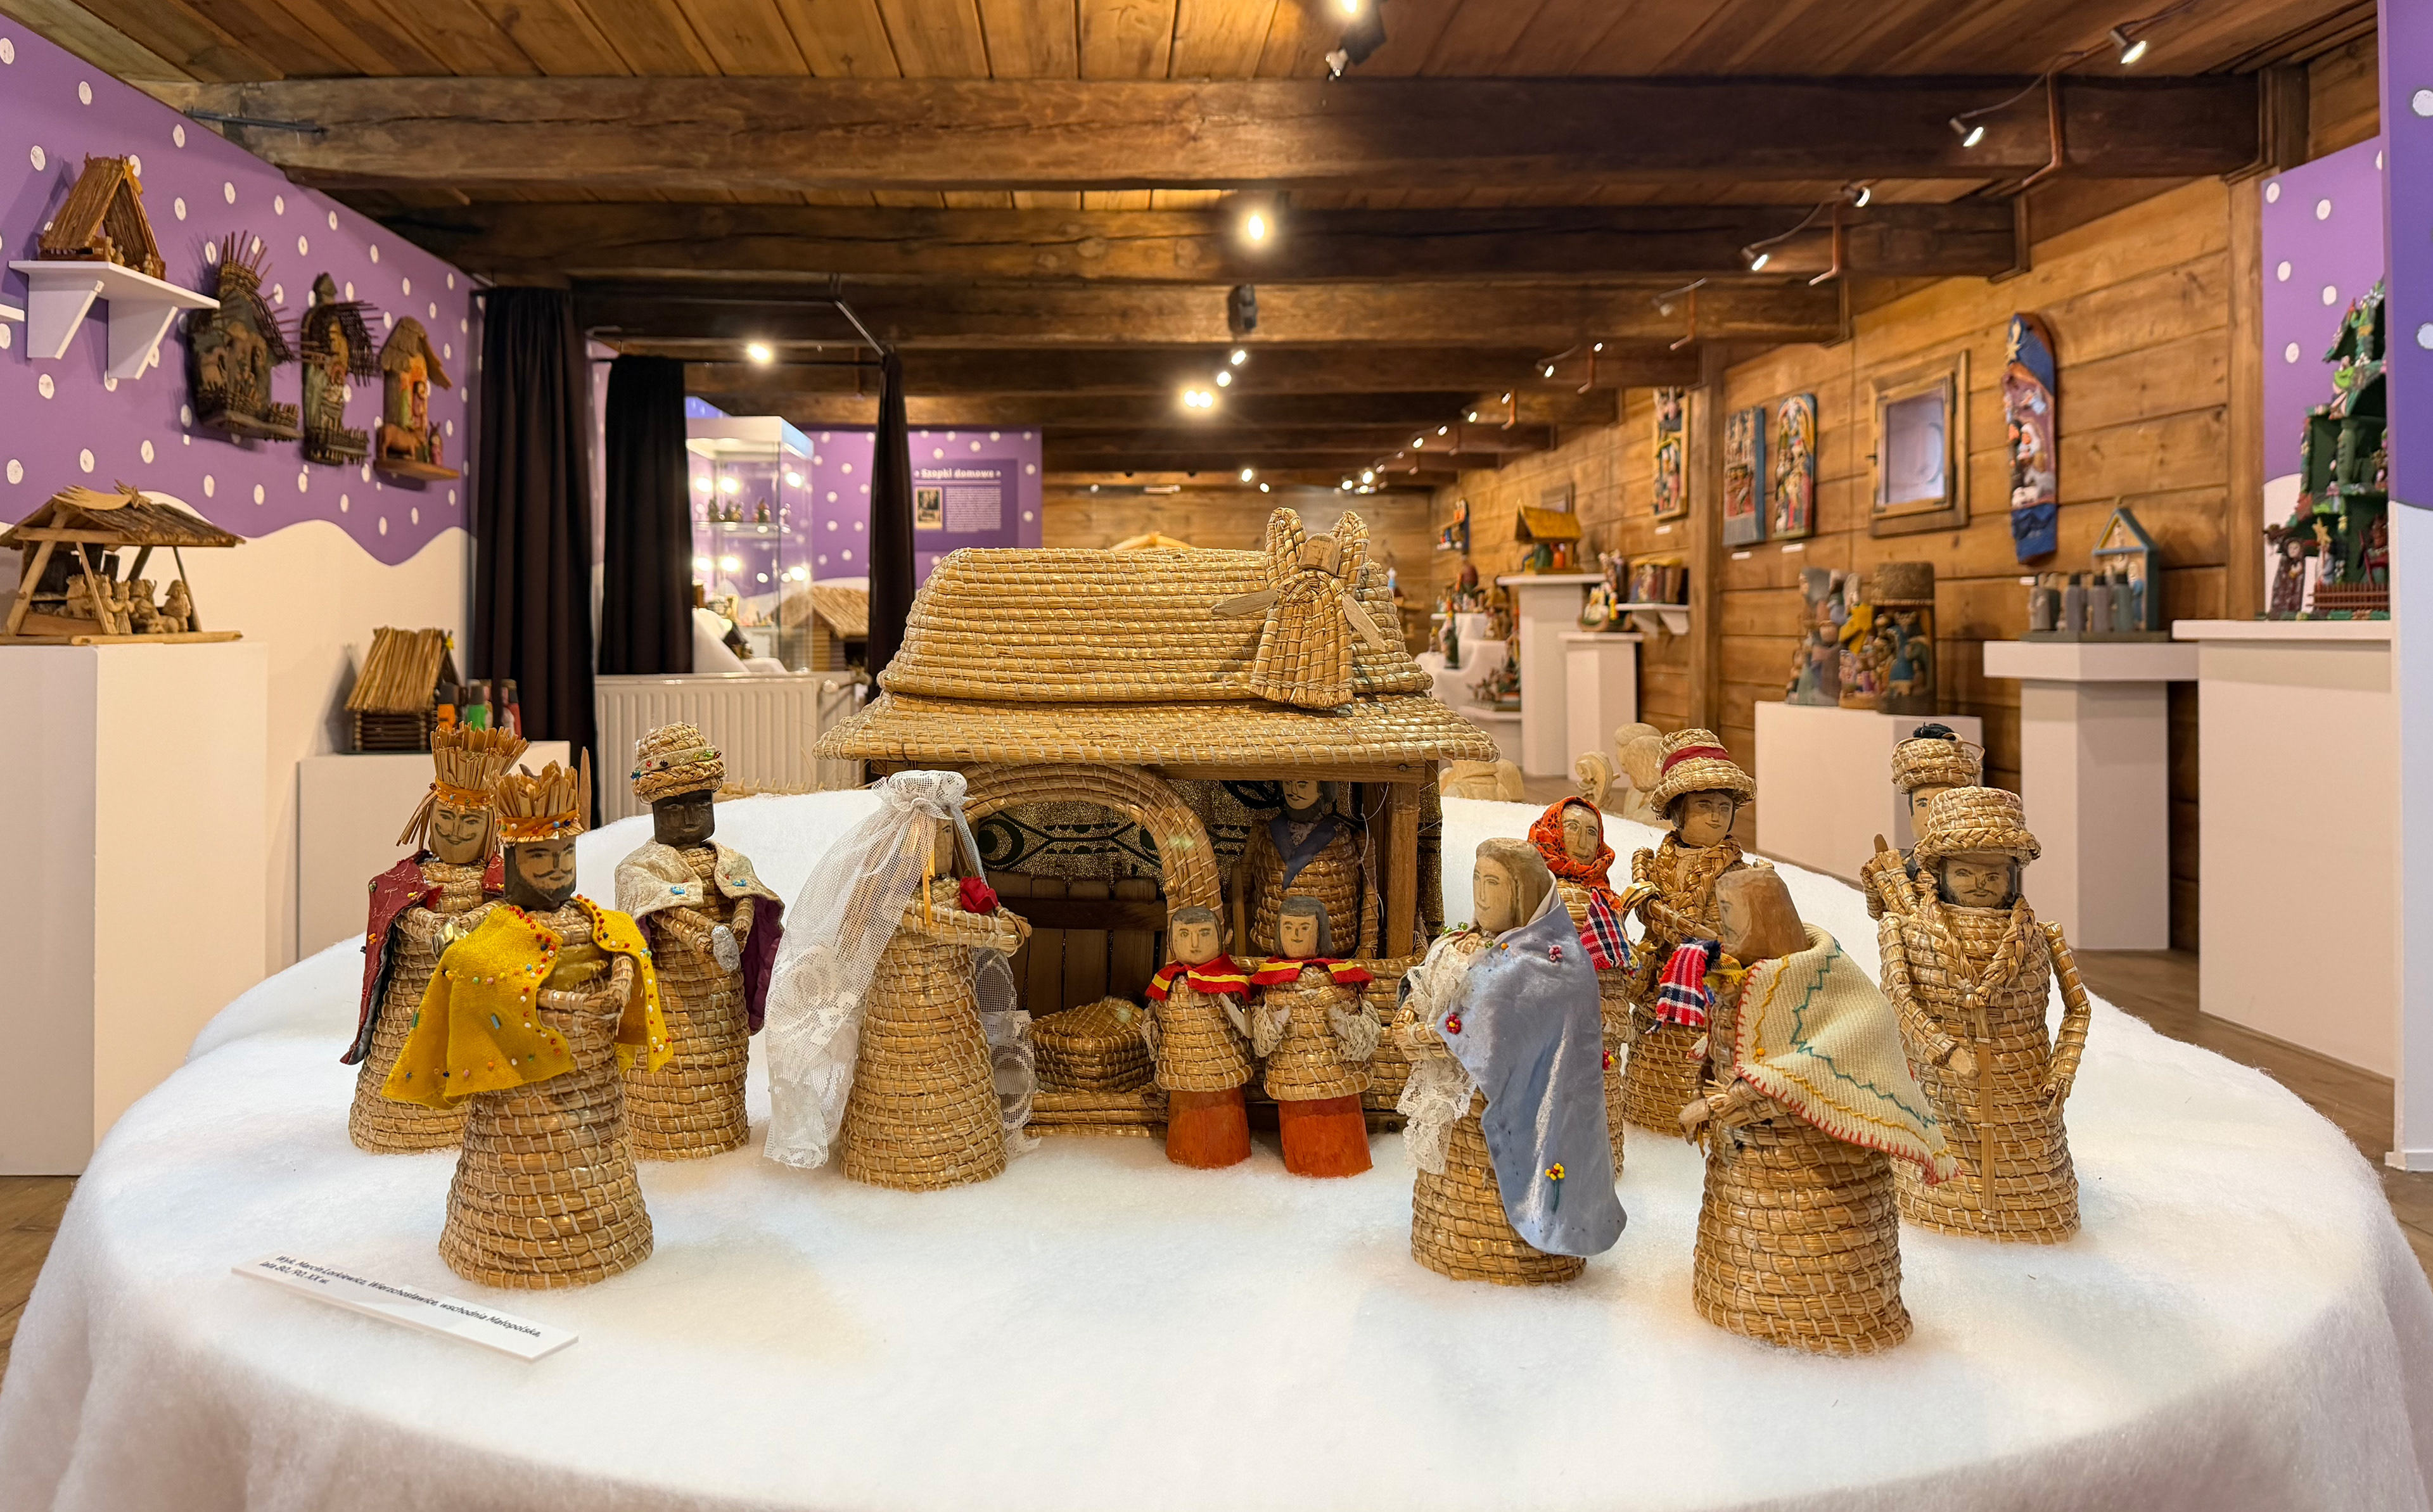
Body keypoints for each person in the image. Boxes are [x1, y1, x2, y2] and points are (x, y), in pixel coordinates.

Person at [385, 758, 671, 1288]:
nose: (557, 870)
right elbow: (472, 969)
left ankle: (606, 1230)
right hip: (518, 1110)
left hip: (592, 1095)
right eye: (541, 857)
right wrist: (561, 1007)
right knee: (515, 1158)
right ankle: (505, 1243)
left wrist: (617, 990)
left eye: (566, 855)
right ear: (514, 860)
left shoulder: (594, 920)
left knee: (598, 1154)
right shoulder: (494, 932)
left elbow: (627, 951)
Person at [1680, 869, 1951, 1353]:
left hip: (1818, 1184)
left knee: (1815, 1250)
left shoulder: (1833, 987)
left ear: (1764, 919)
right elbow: (1747, 1045)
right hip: (1746, 1190)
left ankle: (1819, 1321)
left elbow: (1809, 1065)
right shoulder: (1741, 980)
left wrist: (1722, 1102)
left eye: (1729, 914)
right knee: (1745, 1246)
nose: (1721, 926)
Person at [762, 770, 1035, 1191]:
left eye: (947, 833)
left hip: (952, 1015)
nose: (941, 844)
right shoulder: (889, 898)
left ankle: (964, 1151)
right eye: (933, 834)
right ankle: (887, 1155)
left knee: (956, 1067)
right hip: (897, 1013)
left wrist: (1000, 922)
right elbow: (919, 925)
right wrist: (998, 930)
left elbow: (984, 919)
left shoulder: (954, 892)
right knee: (889, 1073)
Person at [1398, 837, 1623, 1285]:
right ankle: (1456, 1240)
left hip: (1528, 1103)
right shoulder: (1457, 946)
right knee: (1457, 1186)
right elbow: (1424, 991)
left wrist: (1435, 1034)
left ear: (1522, 892)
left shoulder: (1552, 960)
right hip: (1458, 1115)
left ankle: (1540, 1235)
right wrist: (1413, 1012)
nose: (1481, 895)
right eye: (1477, 880)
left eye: (1495, 883)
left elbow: (1494, 1023)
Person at [1877, 787, 2093, 1242]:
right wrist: (1944, 1050)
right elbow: (1898, 997)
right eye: (1964, 871)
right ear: (1940, 873)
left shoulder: (2043, 937)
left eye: (1994, 872)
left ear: (2013, 874)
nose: (1980, 883)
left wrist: (2063, 1068)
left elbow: (2079, 1008)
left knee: (2036, 1195)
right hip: (1944, 1093)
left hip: (2024, 1091)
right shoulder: (1904, 931)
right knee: (1940, 1180)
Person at [342, 725, 522, 1153]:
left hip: (476, 999)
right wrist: (434, 926)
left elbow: (510, 908)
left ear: (491, 826)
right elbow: (398, 910)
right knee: (403, 1066)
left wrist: (471, 920)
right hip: (411, 999)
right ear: (428, 816)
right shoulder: (407, 877)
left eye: (471, 821)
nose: (456, 830)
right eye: (446, 818)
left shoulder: (499, 879)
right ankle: (401, 1129)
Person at [615, 723, 784, 1159]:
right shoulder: (640, 867)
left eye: (701, 804)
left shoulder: (728, 859)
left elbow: (745, 896)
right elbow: (661, 911)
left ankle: (723, 1129)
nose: (691, 817)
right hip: (670, 995)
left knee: (720, 1061)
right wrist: (707, 934)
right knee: (673, 1068)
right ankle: (660, 1138)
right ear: (655, 808)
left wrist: (740, 926)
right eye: (675, 807)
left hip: (720, 1000)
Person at [1618, 729, 1757, 1132]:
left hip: (1715, 988)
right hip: (1660, 987)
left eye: (1724, 806)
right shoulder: (1652, 866)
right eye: (1704, 805)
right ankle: (1649, 1123)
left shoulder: (1741, 874)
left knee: (1707, 1071)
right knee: (1652, 1069)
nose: (1716, 816)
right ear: (1678, 811)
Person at [1528, 796, 1632, 1172]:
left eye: (1592, 832)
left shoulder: (1605, 899)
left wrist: (1612, 1019)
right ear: (1553, 831)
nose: (1583, 840)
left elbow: (1615, 972)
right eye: (1572, 828)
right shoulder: (1534, 889)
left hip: (1597, 1026)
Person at [1249, 896, 1377, 1178]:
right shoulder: (1271, 982)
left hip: (1340, 1084)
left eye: (1304, 928)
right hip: (1292, 1083)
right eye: (1288, 927)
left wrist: (1345, 1028)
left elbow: (1368, 1030)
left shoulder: (1342, 979)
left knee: (1341, 1148)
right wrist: (1272, 1026)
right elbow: (1259, 1040)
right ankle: (1304, 1167)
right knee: (1304, 1146)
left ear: (1320, 932)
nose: (1295, 935)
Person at [1143, 905, 1256, 1169]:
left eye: (1204, 934)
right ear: (1171, 940)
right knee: (1187, 1118)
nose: (1194, 945)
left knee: (1222, 1116)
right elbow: (1154, 1018)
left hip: (1223, 1071)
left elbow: (1247, 1025)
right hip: (1181, 1071)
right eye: (1184, 935)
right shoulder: (1168, 982)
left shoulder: (1230, 982)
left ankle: (1228, 1150)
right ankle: (1186, 1150)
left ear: (1222, 938)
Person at [1859, 723, 1984, 920]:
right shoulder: (1901, 864)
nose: (1932, 815)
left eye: (1943, 802)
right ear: (1911, 811)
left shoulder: (1978, 865)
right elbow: (1877, 912)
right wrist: (1877, 879)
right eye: (1923, 804)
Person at [1240, 776, 1371, 958]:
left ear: (1323, 789)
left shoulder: (1344, 837)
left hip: (1334, 957)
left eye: (1302, 784)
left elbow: (1370, 895)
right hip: (1272, 955)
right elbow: (1242, 889)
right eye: (1288, 783)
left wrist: (1368, 946)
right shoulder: (1266, 833)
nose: (1294, 791)